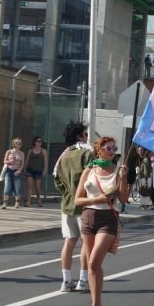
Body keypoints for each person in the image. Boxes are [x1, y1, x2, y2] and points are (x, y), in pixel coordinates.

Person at [74, 135, 129, 306]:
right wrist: (95, 200)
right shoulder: (89, 171)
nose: (112, 151)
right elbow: (77, 199)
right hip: (89, 216)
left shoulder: (118, 171)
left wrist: (124, 178)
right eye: (108, 148)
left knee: (94, 262)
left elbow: (122, 199)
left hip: (108, 219)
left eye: (114, 148)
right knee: (92, 265)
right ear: (99, 150)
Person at [53, 121, 93, 292]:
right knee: (86, 241)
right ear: (79, 136)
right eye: (85, 134)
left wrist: (68, 192)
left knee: (69, 241)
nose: (87, 136)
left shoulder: (64, 155)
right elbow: (92, 177)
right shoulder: (87, 153)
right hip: (84, 203)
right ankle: (83, 279)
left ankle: (66, 280)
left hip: (67, 202)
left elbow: (57, 181)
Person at [23, 136, 48, 207]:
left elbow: (45, 161)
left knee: (37, 187)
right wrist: (25, 168)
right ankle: (28, 202)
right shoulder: (30, 150)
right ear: (34, 142)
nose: (39, 142)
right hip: (30, 170)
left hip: (39, 171)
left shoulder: (43, 151)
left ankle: (39, 200)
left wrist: (45, 170)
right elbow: (27, 160)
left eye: (40, 141)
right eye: (38, 141)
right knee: (30, 186)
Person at [1, 137, 25, 209]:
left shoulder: (21, 153)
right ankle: (5, 203)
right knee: (7, 186)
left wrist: (19, 170)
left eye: (20, 143)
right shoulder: (9, 152)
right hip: (9, 171)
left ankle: (17, 203)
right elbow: (4, 161)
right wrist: (9, 162)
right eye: (18, 143)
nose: (19, 144)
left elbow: (22, 163)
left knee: (17, 187)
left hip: (17, 171)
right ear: (14, 144)